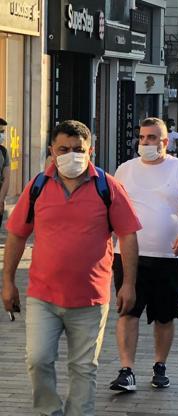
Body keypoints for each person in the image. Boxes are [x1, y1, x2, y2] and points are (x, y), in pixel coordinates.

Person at [2, 120, 141, 416]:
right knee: (37, 360)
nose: (71, 155)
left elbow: (128, 235)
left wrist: (128, 283)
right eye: (63, 149)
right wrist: (8, 281)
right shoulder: (37, 186)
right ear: (52, 150)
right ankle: (48, 411)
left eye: (78, 149)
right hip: (43, 295)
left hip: (90, 298)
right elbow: (16, 235)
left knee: (83, 368)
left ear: (90, 150)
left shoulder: (108, 186)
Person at [109, 117, 178, 392]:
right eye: (142, 137)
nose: (146, 142)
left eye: (152, 138)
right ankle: (127, 370)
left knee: (164, 316)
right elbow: (113, 209)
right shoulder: (125, 170)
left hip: (168, 256)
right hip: (128, 255)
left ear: (165, 142)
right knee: (128, 311)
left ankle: (160, 365)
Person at [0, 118, 11, 223]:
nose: (1, 135)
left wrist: (1, 200)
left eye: (2, 132)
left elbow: (6, 178)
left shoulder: (3, 151)